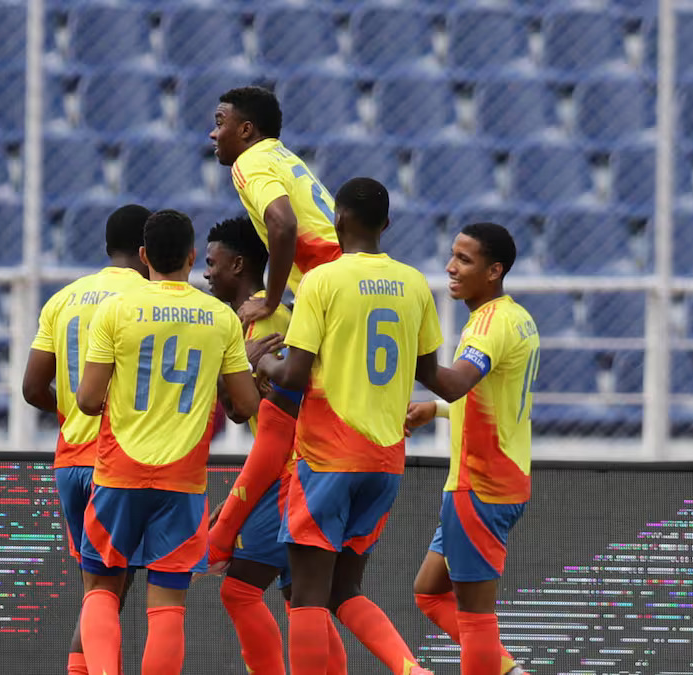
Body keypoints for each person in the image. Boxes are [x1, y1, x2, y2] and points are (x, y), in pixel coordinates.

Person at [258, 177, 441, 675]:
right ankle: (411, 669)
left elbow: (293, 376)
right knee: (345, 590)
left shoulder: (322, 280)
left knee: (308, 595)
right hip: (384, 462)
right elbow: (430, 374)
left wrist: (261, 363)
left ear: (337, 219)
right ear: (386, 224)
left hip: (327, 457)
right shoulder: (415, 284)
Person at [74, 209, 262, 675]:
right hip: (183, 481)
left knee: (100, 587)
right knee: (168, 605)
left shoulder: (116, 310)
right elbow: (244, 406)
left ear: (143, 256)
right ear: (192, 256)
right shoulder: (220, 318)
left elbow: (87, 399)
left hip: (119, 472)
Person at [203, 216, 348, 674]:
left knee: (241, 590)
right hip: (292, 475)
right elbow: (239, 409)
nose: (206, 273)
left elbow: (262, 416)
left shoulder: (274, 322)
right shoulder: (246, 324)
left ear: (238, 264)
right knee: (302, 601)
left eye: (212, 263)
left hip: (292, 476)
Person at [21, 204, 150, 675]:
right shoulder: (150, 298)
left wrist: (72, 412)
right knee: (107, 597)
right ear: (147, 249)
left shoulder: (63, 299)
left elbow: (33, 387)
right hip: (122, 463)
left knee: (98, 595)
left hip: (69, 462)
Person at [406, 223, 537, 675]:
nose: (450, 267)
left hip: (479, 486)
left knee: (476, 617)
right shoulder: (517, 317)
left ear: (494, 271)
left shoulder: (487, 325)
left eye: (465, 259)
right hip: (502, 478)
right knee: (428, 591)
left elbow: (458, 383)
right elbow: (497, 403)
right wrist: (436, 413)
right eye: (452, 256)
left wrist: (414, 347)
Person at [211, 85, 341, 326]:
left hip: (330, 281)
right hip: (353, 271)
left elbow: (283, 223)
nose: (213, 134)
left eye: (219, 124)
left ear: (246, 130)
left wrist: (270, 302)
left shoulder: (249, 161)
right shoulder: (285, 157)